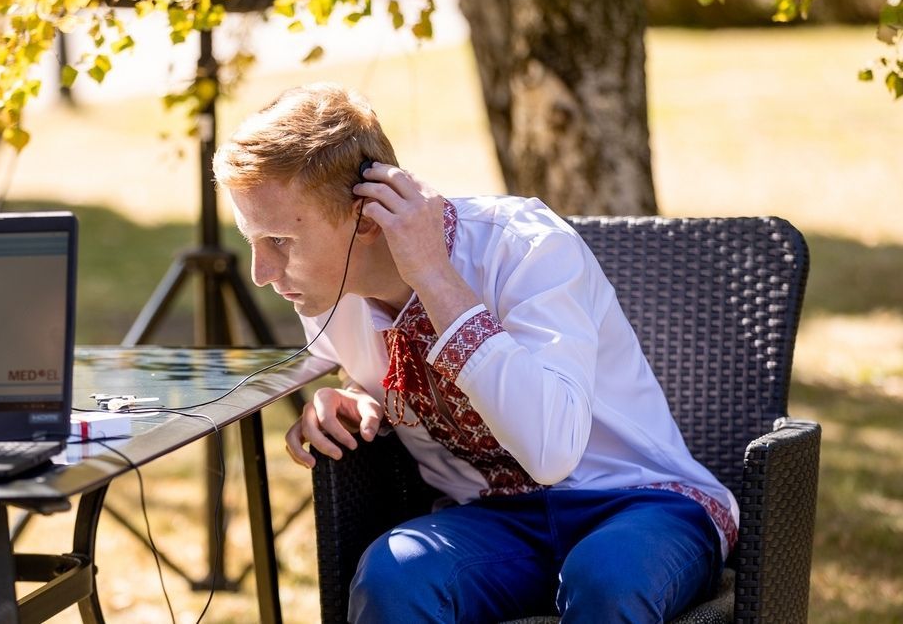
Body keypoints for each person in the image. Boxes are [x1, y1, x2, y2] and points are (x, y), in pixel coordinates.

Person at [213, 83, 736, 623]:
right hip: (493, 523)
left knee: (607, 577)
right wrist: (354, 399)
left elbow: (552, 451)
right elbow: (392, 384)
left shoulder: (523, 245)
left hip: (637, 502)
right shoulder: (325, 292)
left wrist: (433, 275)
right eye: (252, 240)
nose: (261, 273)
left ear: (366, 220)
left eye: (279, 241)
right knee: (394, 579)